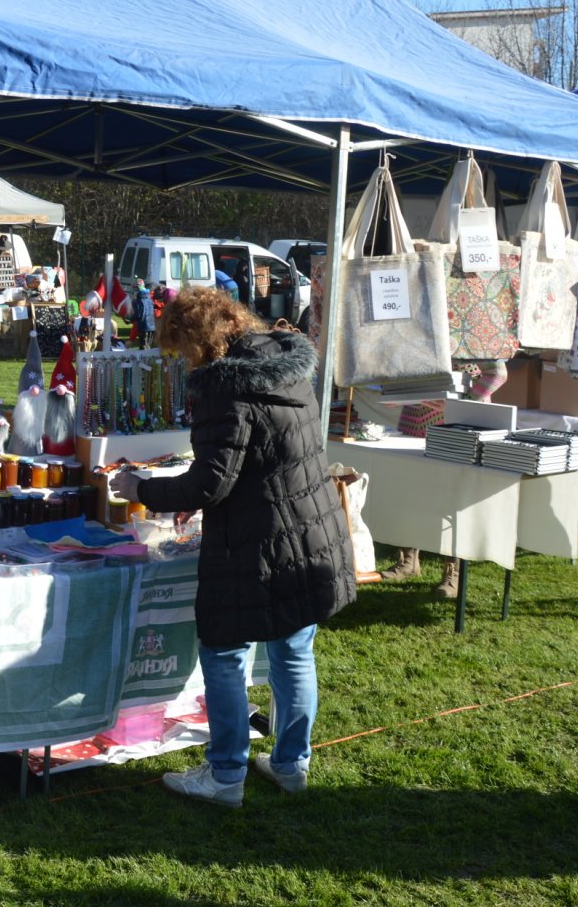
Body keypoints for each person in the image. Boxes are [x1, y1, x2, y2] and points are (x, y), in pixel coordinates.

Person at [107, 288, 354, 807]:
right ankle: (290, 764)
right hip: (307, 530)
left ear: (196, 341)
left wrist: (141, 489)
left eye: (180, 349)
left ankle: (224, 775)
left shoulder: (225, 390)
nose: (180, 360)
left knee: (223, 652)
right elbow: (261, 457)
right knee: (293, 650)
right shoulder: (286, 366)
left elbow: (210, 483)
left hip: (258, 542)